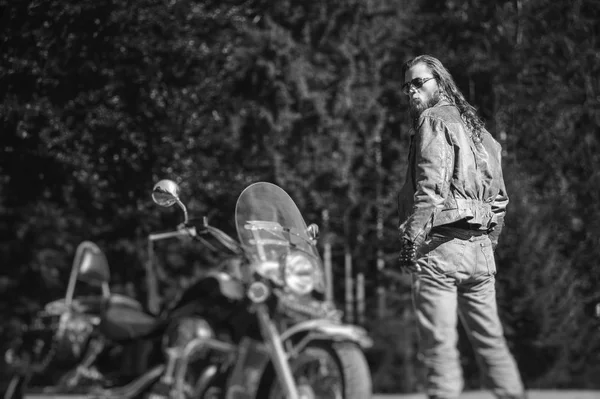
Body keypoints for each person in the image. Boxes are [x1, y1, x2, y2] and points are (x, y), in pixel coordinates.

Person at [396, 55, 525, 399]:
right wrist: (487, 243)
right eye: (407, 84)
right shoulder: (480, 132)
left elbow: (431, 187)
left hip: (439, 250)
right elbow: (500, 199)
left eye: (419, 82)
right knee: (491, 342)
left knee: (439, 344)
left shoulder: (433, 120)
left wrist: (411, 240)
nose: (411, 91)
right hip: (480, 253)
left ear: (439, 80)